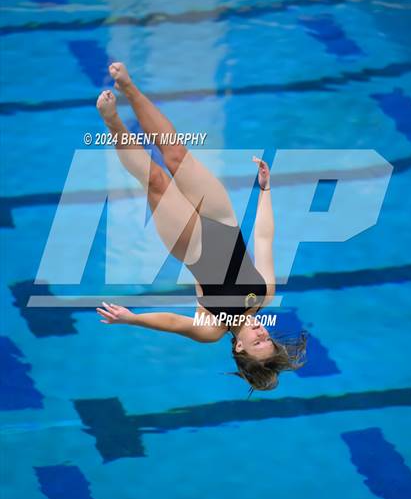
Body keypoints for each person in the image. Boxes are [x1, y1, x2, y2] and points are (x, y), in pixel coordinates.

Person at [96, 63, 307, 392]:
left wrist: (132, 318)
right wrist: (264, 191)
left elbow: (173, 323)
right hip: (223, 218)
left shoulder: (212, 329)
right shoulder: (264, 296)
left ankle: (112, 122)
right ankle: (131, 90)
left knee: (155, 179)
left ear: (239, 348)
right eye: (269, 340)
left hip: (190, 244)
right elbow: (264, 238)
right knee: (177, 154)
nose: (263, 334)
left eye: (257, 343)